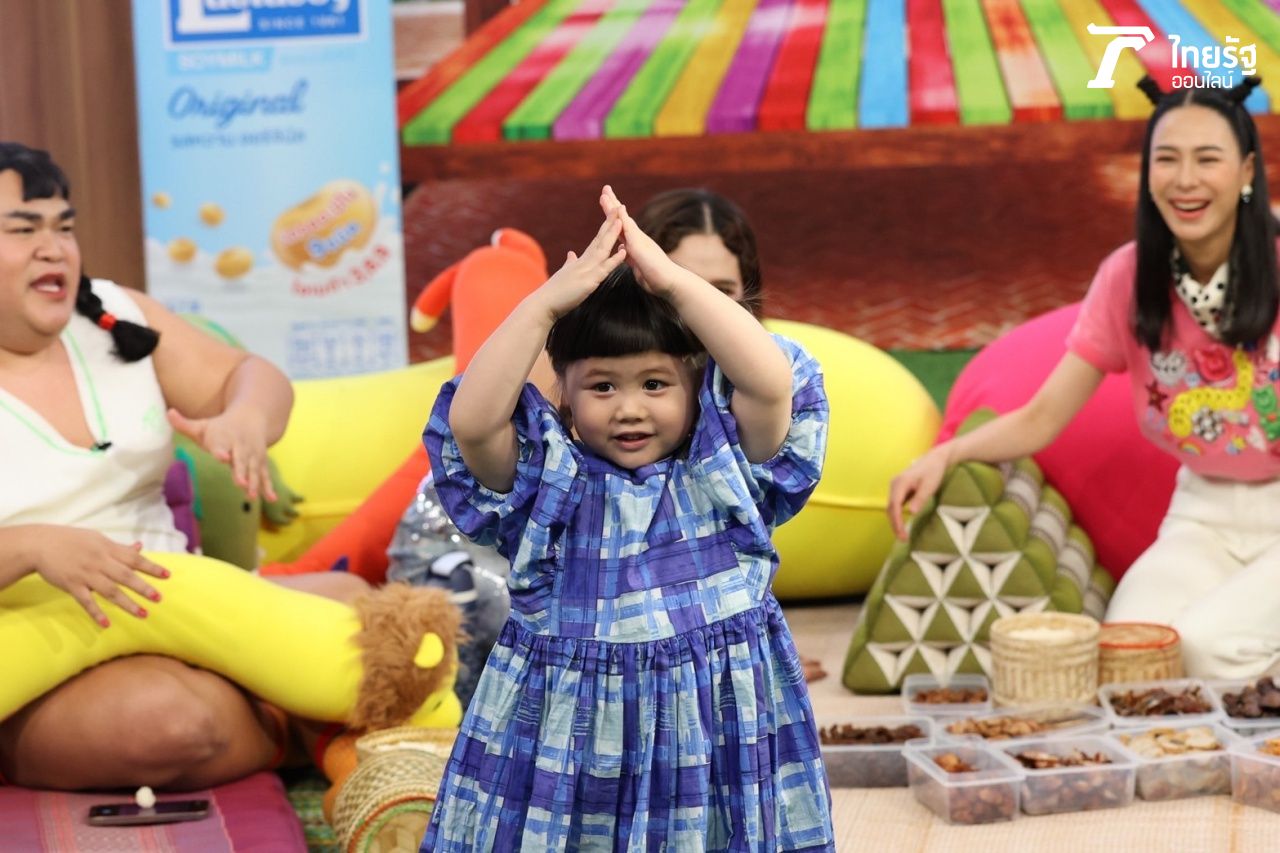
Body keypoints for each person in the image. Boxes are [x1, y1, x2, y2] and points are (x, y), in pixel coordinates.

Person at [420, 187, 834, 850]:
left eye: (655, 383)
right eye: (603, 386)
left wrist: (672, 283)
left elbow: (770, 382)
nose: (630, 408)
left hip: (712, 745)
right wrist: (545, 304)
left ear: (697, 381)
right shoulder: (548, 484)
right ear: (565, 389)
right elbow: (472, 423)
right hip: (570, 757)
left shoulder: (723, 469)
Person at [888, 76, 1280, 681]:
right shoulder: (1129, 276)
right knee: (1130, 654)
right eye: (1167, 159)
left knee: (1207, 649)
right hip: (1203, 514)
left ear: (1247, 171)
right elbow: (1044, 415)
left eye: (1208, 159)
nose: (1186, 179)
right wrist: (947, 454)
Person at [0, 141, 365, 791]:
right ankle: (314, 727)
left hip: (183, 598)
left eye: (64, 227)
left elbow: (248, 375)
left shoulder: (112, 314)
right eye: (24, 230)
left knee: (360, 608)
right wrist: (31, 546)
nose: (53, 249)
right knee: (167, 721)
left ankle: (282, 716)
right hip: (41, 645)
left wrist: (245, 416)